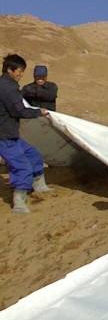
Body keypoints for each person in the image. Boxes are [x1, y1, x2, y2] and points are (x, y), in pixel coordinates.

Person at [0, 54, 52, 214]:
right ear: (10, 70)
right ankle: (19, 201)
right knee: (22, 167)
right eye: (19, 71)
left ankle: (39, 185)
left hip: (11, 133)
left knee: (34, 155)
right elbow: (18, 110)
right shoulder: (8, 87)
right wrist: (38, 112)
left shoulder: (6, 84)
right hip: (4, 136)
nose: (21, 75)